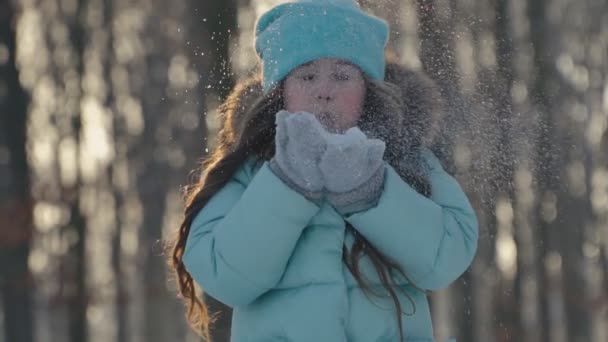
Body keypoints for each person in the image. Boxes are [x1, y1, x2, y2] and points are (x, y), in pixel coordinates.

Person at [167, 0, 478, 341]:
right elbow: (224, 276)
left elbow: (446, 257)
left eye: (343, 76)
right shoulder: (251, 168)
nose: (324, 92)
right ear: (280, 92)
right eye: (307, 75)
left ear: (368, 90)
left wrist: (373, 193)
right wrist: (286, 185)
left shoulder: (405, 161)